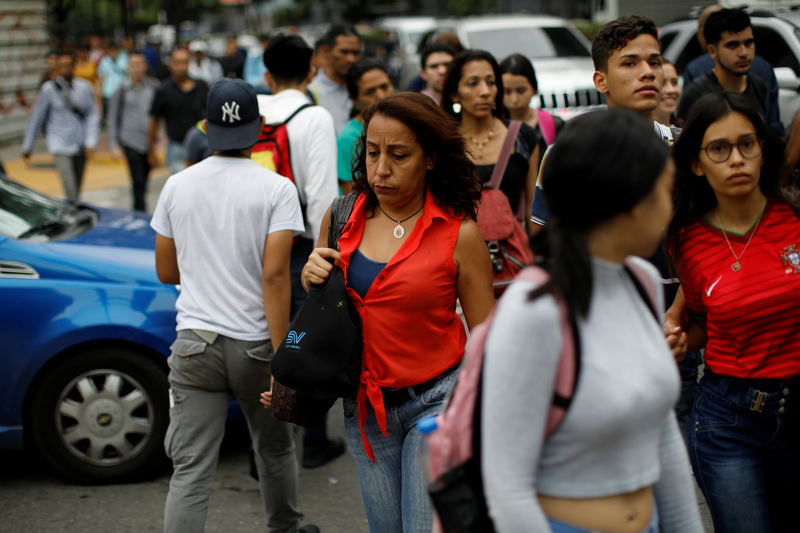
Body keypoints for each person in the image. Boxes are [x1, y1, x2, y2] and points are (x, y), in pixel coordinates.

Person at [482, 108, 703, 533]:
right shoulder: (534, 308)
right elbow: (506, 485)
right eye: (665, 191)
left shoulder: (642, 281)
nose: (673, 206)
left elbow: (663, 436)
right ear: (623, 201)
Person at [299, 93, 494, 533]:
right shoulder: (342, 215)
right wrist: (310, 276)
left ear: (430, 159)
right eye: (372, 152)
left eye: (398, 155)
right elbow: (323, 301)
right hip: (365, 410)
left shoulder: (459, 232)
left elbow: (487, 339)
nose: (380, 168)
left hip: (438, 403)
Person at [151, 78, 318, 533]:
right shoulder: (277, 189)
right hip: (255, 347)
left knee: (190, 470)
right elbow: (275, 277)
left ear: (206, 126)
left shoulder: (176, 186)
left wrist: (208, 267)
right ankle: (285, 527)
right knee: (276, 449)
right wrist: (285, 355)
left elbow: (167, 272)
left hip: (194, 347)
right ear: (259, 126)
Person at [666, 91, 800, 533]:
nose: (737, 159)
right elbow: (702, 321)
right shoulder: (686, 240)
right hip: (729, 420)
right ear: (697, 164)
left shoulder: (794, 218)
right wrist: (681, 339)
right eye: (719, 149)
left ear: (764, 149)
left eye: (747, 144)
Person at [259, 34, 342, 468]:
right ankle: (310, 442)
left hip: (252, 247)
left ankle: (265, 446)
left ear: (266, 74)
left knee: (262, 338)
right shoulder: (313, 117)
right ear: (311, 70)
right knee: (303, 340)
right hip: (298, 249)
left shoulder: (252, 112)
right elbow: (322, 194)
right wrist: (326, 254)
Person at [441, 50, 540, 235]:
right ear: (455, 93)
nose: (485, 92)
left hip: (513, 255)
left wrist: (536, 256)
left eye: (491, 82)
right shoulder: (444, 142)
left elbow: (532, 210)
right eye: (473, 83)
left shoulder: (522, 136)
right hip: (458, 254)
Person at [677, 8, 784, 136]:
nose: (743, 53)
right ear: (712, 51)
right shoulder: (697, 93)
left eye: (748, 43)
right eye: (733, 45)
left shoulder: (758, 85)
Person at [22, 50, 100, 202]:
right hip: (59, 144)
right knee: (69, 188)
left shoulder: (84, 88)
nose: (65, 69)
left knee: (77, 188)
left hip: (80, 143)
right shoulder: (49, 89)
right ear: (57, 68)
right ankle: (74, 218)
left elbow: (92, 115)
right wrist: (27, 146)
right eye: (62, 66)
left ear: (74, 66)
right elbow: (37, 118)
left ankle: (74, 213)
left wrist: (91, 141)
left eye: (68, 65)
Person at [108, 51, 158, 211]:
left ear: (145, 66)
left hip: (149, 142)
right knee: (137, 181)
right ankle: (139, 212)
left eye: (141, 64)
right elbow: (112, 117)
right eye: (134, 65)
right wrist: (113, 144)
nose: (137, 68)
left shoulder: (153, 87)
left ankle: (140, 209)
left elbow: (158, 115)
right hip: (130, 140)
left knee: (144, 180)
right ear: (129, 67)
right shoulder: (121, 89)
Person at [148, 48, 210, 174]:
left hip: (202, 146)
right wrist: (151, 151)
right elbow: (154, 120)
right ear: (171, 64)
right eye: (177, 63)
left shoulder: (201, 86)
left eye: (185, 62)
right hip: (177, 147)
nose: (181, 67)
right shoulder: (163, 91)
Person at [339, 59, 394, 195]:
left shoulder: (403, 125)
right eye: (370, 92)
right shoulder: (349, 138)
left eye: (384, 87)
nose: (381, 96)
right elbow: (351, 196)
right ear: (354, 99)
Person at [500, 53, 564, 154]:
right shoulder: (492, 128)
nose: (514, 99)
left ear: (534, 88)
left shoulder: (554, 125)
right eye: (507, 92)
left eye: (521, 91)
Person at [308, 25, 362, 134]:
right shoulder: (311, 92)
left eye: (355, 53)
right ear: (326, 51)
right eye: (344, 52)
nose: (351, 59)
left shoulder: (363, 87)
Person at [97, 41, 129, 121]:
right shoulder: (104, 60)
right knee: (110, 117)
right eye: (111, 50)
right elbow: (101, 76)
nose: (113, 52)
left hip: (122, 92)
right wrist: (99, 91)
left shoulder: (124, 58)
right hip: (108, 93)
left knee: (123, 116)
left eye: (114, 50)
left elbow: (128, 73)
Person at [654, 60, 681, 127]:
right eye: (662, 83)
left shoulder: (686, 131)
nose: (671, 90)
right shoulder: (633, 134)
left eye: (674, 82)